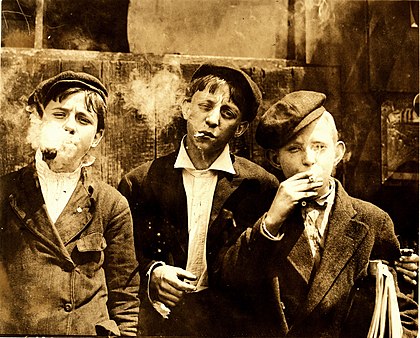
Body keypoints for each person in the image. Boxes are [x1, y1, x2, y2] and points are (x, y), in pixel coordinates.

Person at [217, 91, 418, 337]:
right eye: (294, 149)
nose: (309, 160)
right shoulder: (256, 213)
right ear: (275, 159)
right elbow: (228, 284)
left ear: (338, 153)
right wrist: (271, 223)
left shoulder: (371, 220)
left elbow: (400, 312)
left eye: (320, 147)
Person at [118, 64, 279, 336]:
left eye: (228, 113)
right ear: (186, 109)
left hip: (231, 327)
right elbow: (120, 256)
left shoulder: (259, 187)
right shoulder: (141, 181)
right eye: (205, 106)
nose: (213, 119)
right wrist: (152, 273)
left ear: (239, 129)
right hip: (162, 324)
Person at [0, 71, 140, 336]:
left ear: (97, 137)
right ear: (40, 121)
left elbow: (125, 298)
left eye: (83, 119)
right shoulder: (4, 193)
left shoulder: (110, 204)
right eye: (59, 114)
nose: (70, 126)